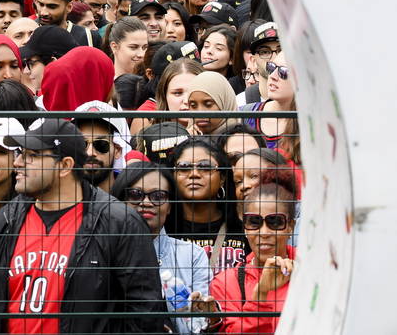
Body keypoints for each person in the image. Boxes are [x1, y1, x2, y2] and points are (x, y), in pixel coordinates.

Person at [0, 119, 167, 332]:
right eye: (21, 153)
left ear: (65, 166)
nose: (18, 163)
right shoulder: (6, 220)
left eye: (32, 156)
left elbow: (144, 312)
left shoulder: (119, 223)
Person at [112, 163, 211, 335]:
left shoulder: (193, 255)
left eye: (158, 196)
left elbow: (198, 326)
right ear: (120, 202)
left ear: (170, 205)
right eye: (135, 195)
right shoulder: (102, 251)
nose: (146, 203)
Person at [208, 178, 298, 334]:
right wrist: (260, 294)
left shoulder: (313, 270)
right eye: (254, 222)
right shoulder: (225, 283)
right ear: (244, 228)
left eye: (275, 222)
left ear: (291, 227)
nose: (263, 232)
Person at [166, 138, 247, 273]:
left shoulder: (244, 229)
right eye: (184, 167)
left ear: (222, 178)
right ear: (173, 175)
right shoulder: (162, 230)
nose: (194, 174)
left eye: (205, 167)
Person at [185, 71, 237, 136]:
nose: (200, 112)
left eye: (208, 105)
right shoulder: (187, 137)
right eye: (193, 106)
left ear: (224, 103)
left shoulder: (241, 140)